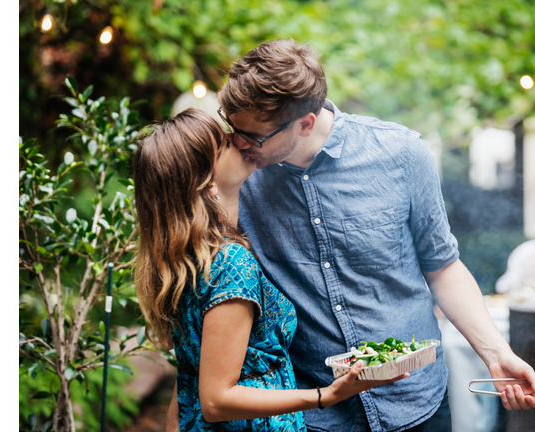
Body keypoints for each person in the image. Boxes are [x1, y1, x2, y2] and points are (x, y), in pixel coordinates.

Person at [216, 39, 535, 432]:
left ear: (306, 121)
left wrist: (495, 354)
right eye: (231, 126)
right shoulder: (237, 175)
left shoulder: (401, 153)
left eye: (253, 135)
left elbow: (443, 268)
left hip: (417, 404)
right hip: (312, 413)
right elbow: (213, 275)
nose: (237, 142)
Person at [132, 108, 405, 432]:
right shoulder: (230, 264)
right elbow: (216, 399)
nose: (238, 139)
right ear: (207, 182)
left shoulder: (190, 261)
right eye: (224, 143)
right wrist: (324, 395)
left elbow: (193, 376)